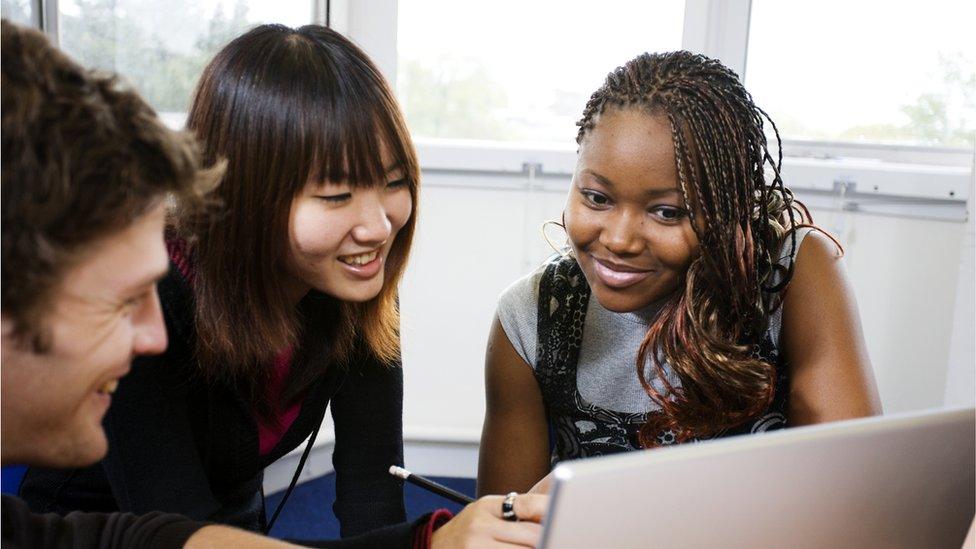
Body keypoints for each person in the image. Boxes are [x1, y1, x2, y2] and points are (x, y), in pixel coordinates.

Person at [18, 22, 547, 547]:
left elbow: (372, 490)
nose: (378, 227)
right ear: (246, 196)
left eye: (393, 183)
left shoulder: (353, 274)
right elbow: (175, 529)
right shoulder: (152, 306)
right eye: (336, 195)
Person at [477, 51, 882, 496]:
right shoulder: (531, 316)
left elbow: (853, 492)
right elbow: (500, 525)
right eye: (596, 198)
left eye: (667, 212)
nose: (619, 239)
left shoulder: (792, 273)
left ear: (727, 212)